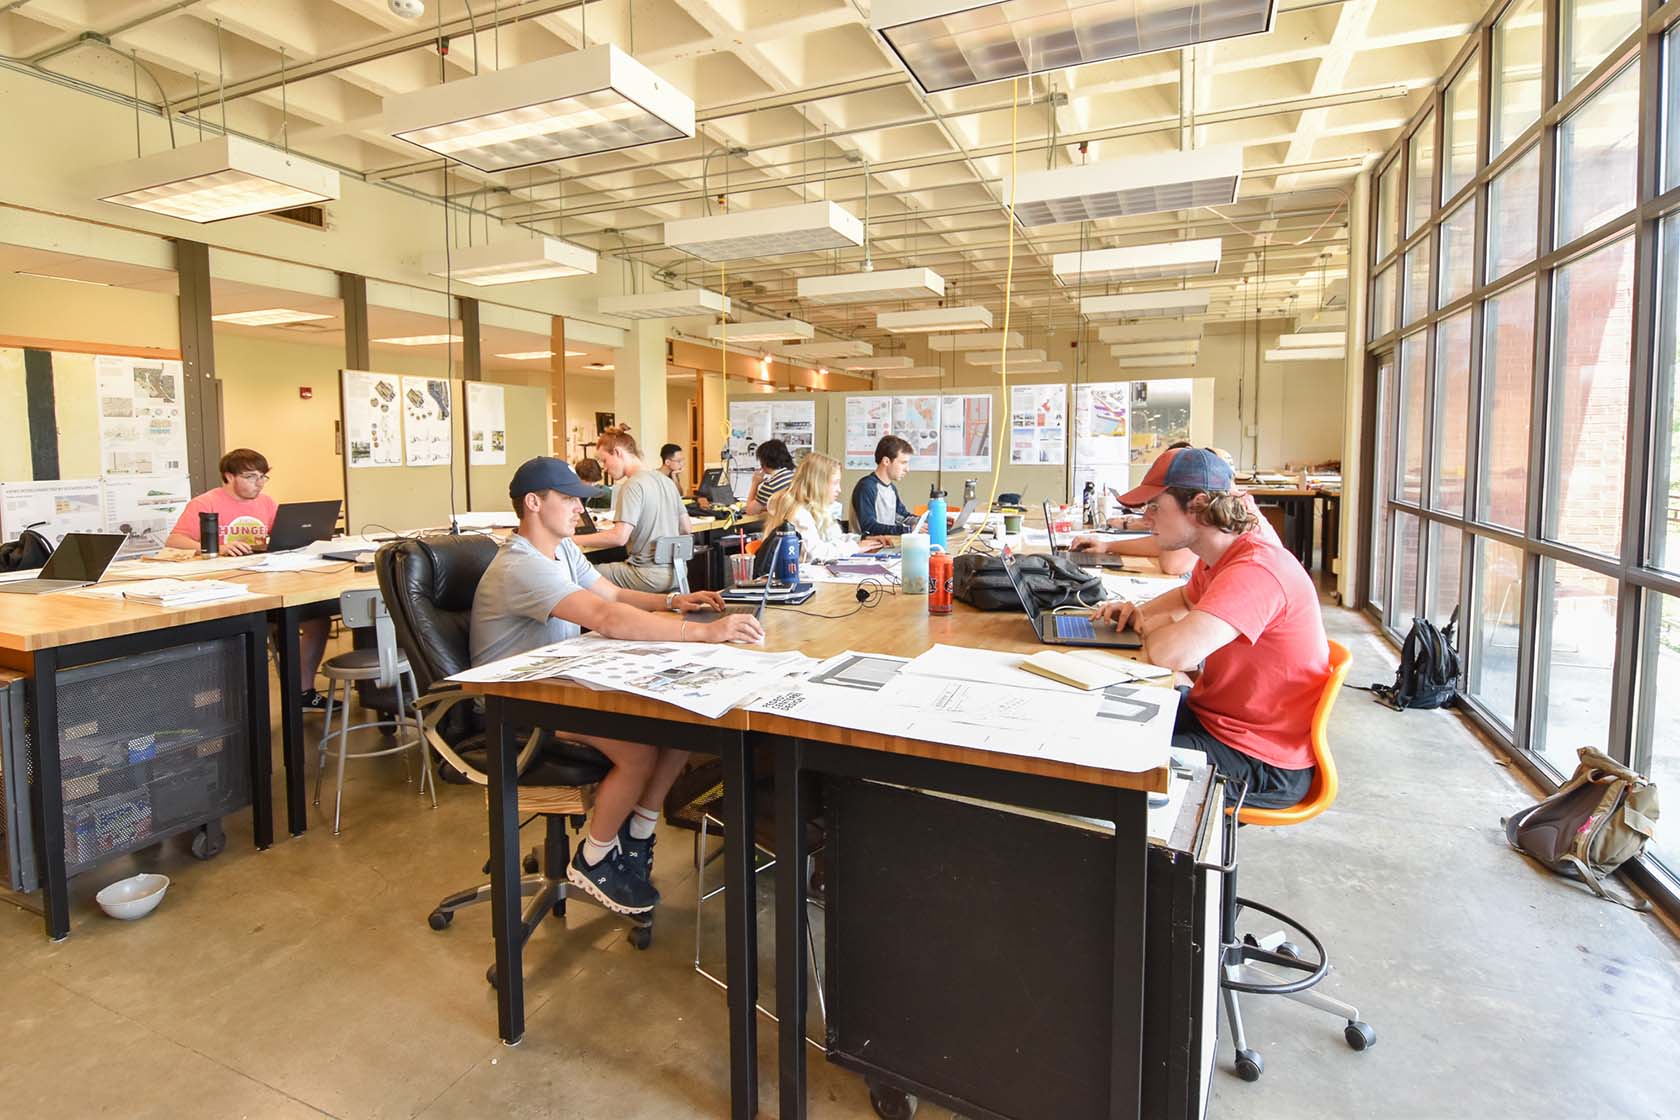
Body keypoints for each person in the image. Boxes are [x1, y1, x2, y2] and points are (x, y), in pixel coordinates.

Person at [470, 456, 762, 914]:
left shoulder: (562, 550)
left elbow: (613, 594)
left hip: (559, 686)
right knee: (639, 749)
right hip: (518, 704)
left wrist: (672, 601)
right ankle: (595, 857)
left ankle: (638, 834)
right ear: (532, 503)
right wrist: (705, 632)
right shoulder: (520, 566)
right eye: (567, 499)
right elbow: (606, 618)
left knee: (682, 725)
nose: (577, 510)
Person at [1091, 448, 1329, 810]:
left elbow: (1170, 654)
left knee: (1105, 765)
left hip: (1258, 756)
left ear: (1198, 505)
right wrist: (1137, 612)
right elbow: (1183, 600)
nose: (1147, 519)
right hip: (1217, 718)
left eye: (1155, 506)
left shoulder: (1256, 570)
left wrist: (1148, 625)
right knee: (1094, 719)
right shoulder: (1219, 556)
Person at [165, 448, 333, 711]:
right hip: (225, 587)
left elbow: (281, 535)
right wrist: (216, 548)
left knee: (317, 621)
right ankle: (233, 706)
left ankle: (303, 691)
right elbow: (175, 541)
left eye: (263, 477)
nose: (258, 484)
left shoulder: (266, 502)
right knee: (250, 631)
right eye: (251, 477)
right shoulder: (204, 503)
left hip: (266, 581)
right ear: (228, 476)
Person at [573, 425, 691, 593]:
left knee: (579, 573)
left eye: (605, 460)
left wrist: (572, 540)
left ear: (618, 453)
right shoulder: (667, 482)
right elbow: (686, 528)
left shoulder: (632, 485)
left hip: (646, 575)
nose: (605, 468)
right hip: (677, 572)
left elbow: (619, 537)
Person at [760, 452, 886, 564]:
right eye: (835, 482)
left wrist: (862, 539)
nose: (839, 489)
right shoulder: (798, 513)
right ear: (818, 484)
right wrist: (856, 548)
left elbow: (833, 538)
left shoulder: (816, 509)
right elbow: (815, 554)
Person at [849, 434, 917, 537]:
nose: (907, 469)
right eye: (903, 463)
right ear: (886, 461)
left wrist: (928, 521)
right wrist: (906, 529)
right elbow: (869, 527)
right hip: (867, 550)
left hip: (886, 545)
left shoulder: (891, 489)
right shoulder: (866, 487)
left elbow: (904, 517)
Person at [743, 439, 796, 516]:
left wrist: (755, 483)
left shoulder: (771, 485)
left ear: (764, 461)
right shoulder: (793, 476)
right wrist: (765, 507)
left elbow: (750, 510)